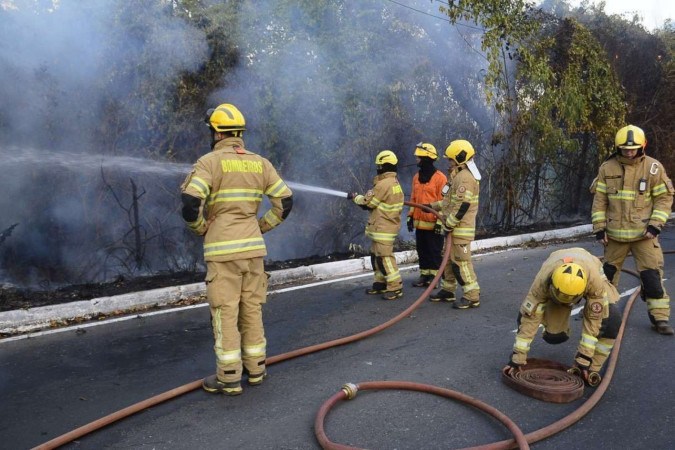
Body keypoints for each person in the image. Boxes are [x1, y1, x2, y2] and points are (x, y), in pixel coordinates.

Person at [180, 103, 293, 395]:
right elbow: (286, 202)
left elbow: (191, 203)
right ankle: (256, 370)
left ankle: (229, 376)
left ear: (218, 134)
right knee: (252, 309)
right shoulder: (261, 163)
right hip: (254, 250)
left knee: (225, 312)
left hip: (223, 253)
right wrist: (261, 226)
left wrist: (201, 227)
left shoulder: (209, 162)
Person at [591, 125, 674, 336]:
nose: (629, 152)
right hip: (615, 237)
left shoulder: (653, 168)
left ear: (642, 146)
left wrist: (655, 225)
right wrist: (600, 229)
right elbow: (599, 201)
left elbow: (664, 198)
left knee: (652, 278)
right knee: (606, 280)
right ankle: (604, 320)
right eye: (625, 149)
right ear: (617, 147)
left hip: (643, 235)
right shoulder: (607, 168)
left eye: (634, 148)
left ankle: (660, 319)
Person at [503, 248, 622, 387]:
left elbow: (594, 321)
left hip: (592, 270)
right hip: (556, 262)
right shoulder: (542, 281)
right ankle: (557, 324)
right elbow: (529, 319)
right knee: (555, 336)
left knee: (611, 321)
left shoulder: (594, 283)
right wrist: (517, 358)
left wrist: (584, 360)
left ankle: (592, 368)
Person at [428, 140, 481, 309]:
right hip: (454, 228)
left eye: (450, 159)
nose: (448, 162)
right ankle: (448, 290)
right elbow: (449, 201)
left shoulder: (465, 178)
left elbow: (462, 206)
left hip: (460, 228)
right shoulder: (457, 176)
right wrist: (433, 206)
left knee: (461, 263)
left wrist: (449, 224)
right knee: (448, 261)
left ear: (459, 158)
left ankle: (472, 295)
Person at [348, 150, 405, 300]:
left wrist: (355, 197)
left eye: (379, 166)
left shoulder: (383, 184)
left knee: (385, 257)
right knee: (376, 255)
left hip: (383, 227)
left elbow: (368, 203)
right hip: (384, 226)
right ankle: (380, 283)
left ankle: (395, 286)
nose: (377, 168)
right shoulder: (393, 182)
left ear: (385, 166)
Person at [406, 142, 448, 288]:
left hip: (434, 223)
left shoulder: (440, 178)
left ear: (426, 158)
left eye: (419, 156)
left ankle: (434, 278)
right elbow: (413, 198)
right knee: (422, 250)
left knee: (434, 251)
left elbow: (444, 201)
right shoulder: (416, 177)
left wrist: (439, 221)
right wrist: (410, 216)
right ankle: (424, 275)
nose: (416, 158)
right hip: (420, 223)